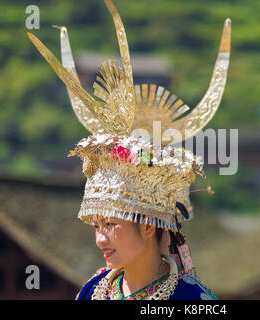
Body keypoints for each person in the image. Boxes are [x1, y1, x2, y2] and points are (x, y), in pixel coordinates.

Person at [27, 0, 231, 300]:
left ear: (148, 226)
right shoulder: (91, 292)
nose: (100, 239)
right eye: (97, 226)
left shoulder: (191, 299)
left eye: (110, 224)